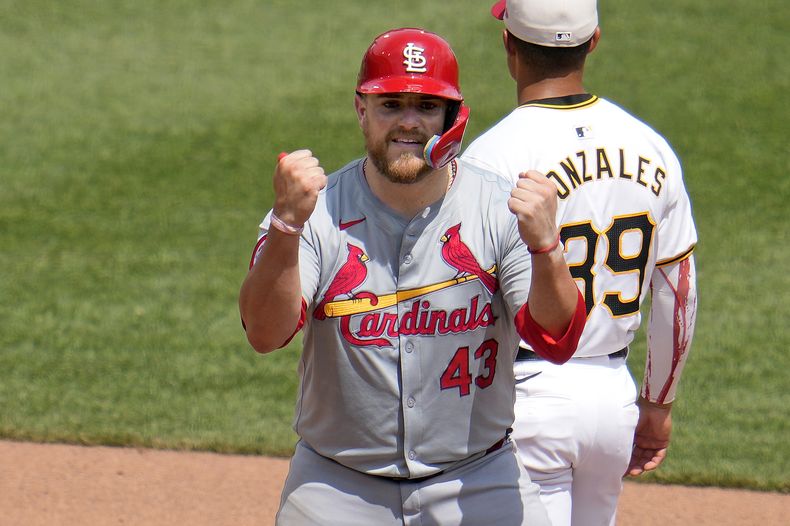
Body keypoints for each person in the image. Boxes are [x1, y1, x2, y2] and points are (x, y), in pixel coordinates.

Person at [239, 27, 588, 526]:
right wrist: (286, 225)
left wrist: (547, 248)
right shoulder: (315, 214)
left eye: (426, 107)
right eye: (391, 105)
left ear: (452, 118)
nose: (409, 122)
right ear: (362, 110)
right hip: (336, 486)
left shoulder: (499, 209)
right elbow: (265, 333)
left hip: (478, 476)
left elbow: (555, 338)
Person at [461, 1, 699, 525]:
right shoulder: (651, 147)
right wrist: (657, 406)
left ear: (508, 46)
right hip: (611, 402)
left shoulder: (490, 157)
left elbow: (465, 300)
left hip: (525, 400)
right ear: (593, 42)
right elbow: (677, 292)